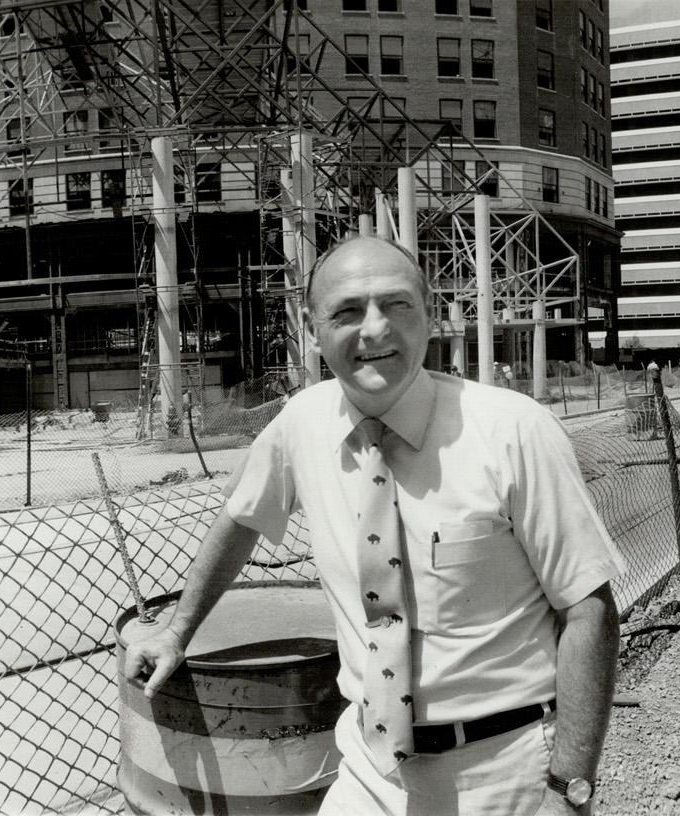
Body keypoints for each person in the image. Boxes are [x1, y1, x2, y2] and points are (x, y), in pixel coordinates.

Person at [119, 237, 624, 816]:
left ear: (431, 315)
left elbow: (587, 609)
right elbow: (239, 518)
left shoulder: (513, 432)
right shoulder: (302, 424)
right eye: (347, 311)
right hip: (369, 767)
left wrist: (570, 787)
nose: (374, 329)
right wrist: (177, 631)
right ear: (312, 332)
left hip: (502, 772)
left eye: (397, 305)